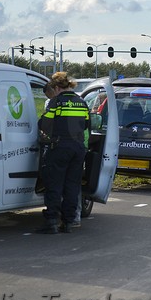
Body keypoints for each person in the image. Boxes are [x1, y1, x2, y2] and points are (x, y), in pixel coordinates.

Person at [37, 72, 90, 233]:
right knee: (72, 186)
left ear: (58, 87)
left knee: (55, 184)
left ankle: (52, 221)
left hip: (60, 147)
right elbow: (87, 124)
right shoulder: (82, 102)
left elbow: (45, 124)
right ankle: (68, 222)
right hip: (78, 148)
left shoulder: (56, 102)